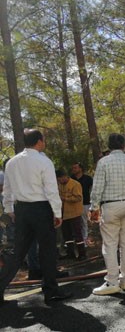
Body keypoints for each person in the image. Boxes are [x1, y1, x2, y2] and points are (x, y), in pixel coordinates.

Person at [0, 129, 72, 306]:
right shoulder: (44, 161)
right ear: (39, 141)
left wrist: (9, 209)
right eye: (44, 139)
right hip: (41, 209)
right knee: (47, 250)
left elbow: (7, 189)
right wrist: (57, 212)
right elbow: (51, 190)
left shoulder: (12, 163)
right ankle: (51, 291)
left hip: (21, 210)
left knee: (18, 252)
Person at [89, 133, 125, 295]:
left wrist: (94, 207)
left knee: (110, 244)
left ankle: (112, 281)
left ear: (109, 146)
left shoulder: (104, 162)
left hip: (111, 206)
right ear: (124, 145)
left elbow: (97, 187)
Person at [56, 169, 87, 260]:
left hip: (74, 213)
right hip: (64, 214)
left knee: (77, 234)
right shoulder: (60, 185)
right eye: (58, 180)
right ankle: (70, 253)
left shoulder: (75, 184)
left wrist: (65, 198)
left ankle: (82, 254)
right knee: (67, 235)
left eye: (60, 179)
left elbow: (78, 198)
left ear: (65, 176)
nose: (60, 181)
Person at [70, 162, 92, 244]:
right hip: (73, 203)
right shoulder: (71, 179)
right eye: (73, 168)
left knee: (84, 222)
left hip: (85, 203)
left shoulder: (88, 178)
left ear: (80, 169)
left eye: (75, 168)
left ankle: (84, 240)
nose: (74, 170)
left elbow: (92, 189)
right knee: (74, 222)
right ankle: (76, 240)